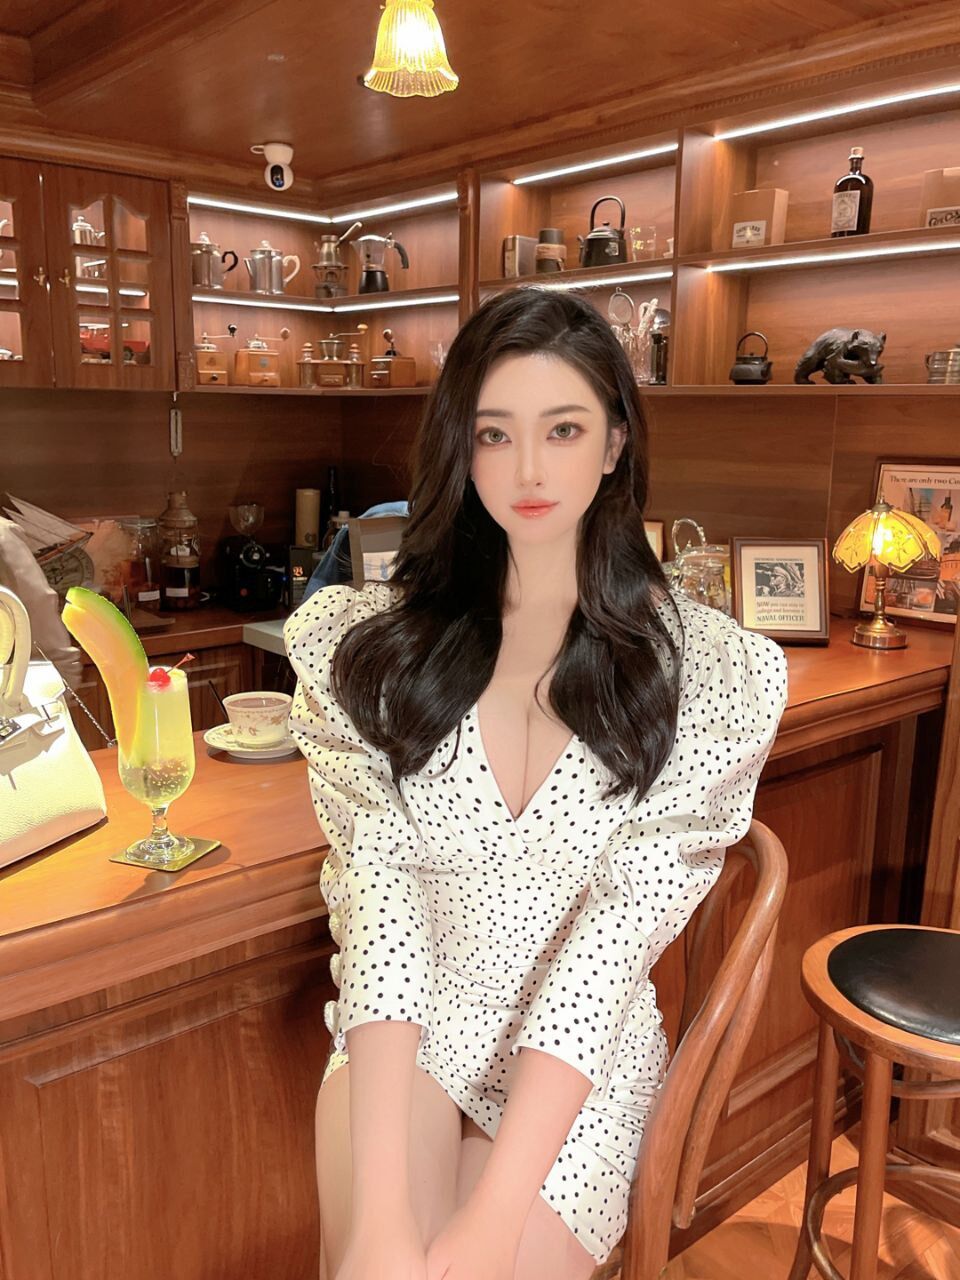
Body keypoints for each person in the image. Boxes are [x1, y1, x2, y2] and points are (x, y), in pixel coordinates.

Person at [283, 286, 789, 1280]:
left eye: (562, 429)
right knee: (374, 1262)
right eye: (494, 434)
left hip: (581, 1066)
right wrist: (382, 1222)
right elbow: (381, 912)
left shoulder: (707, 675)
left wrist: (489, 1219)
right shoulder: (369, 651)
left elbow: (607, 954)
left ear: (614, 444)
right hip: (411, 1031)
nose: (526, 470)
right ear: (460, 449)